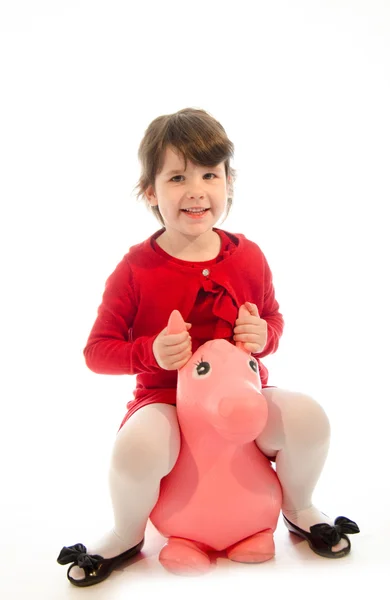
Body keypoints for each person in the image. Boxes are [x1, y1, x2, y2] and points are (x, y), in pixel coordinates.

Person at [57, 107, 359, 586]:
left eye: (209, 174)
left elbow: (273, 318)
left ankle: (299, 506)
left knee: (308, 418)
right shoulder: (136, 269)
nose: (196, 189)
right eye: (177, 177)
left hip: (242, 399)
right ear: (150, 192)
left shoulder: (249, 256)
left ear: (228, 183)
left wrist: (265, 336)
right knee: (136, 448)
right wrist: (150, 354)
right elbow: (97, 351)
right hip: (167, 402)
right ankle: (125, 531)